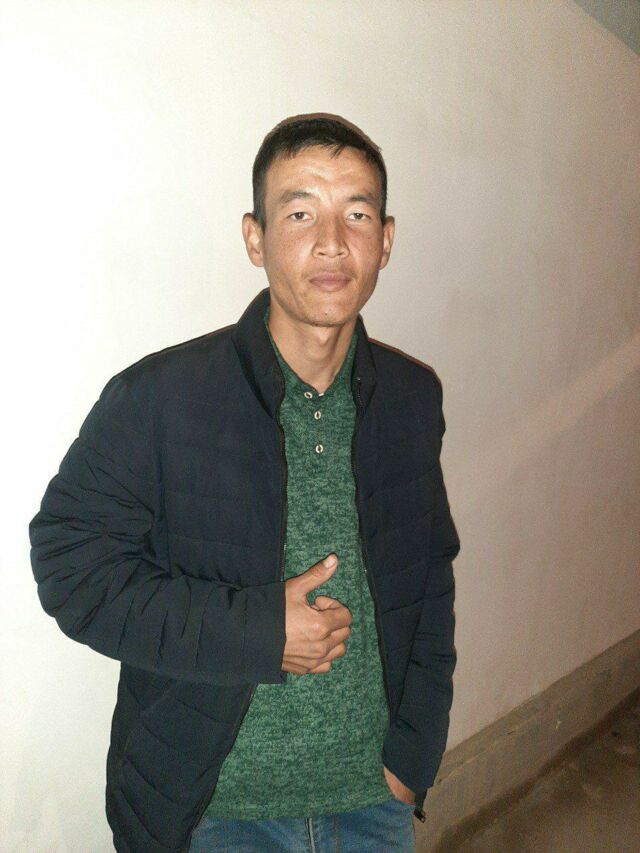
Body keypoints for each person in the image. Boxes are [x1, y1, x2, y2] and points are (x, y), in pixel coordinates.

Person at [29, 113, 461, 853]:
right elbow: (71, 569)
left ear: (386, 240)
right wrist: (260, 632)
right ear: (255, 238)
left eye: (357, 214)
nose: (332, 241)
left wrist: (413, 756)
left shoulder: (412, 397)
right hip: (217, 814)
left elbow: (431, 579)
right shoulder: (161, 399)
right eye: (300, 213)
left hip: (373, 803)